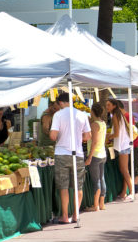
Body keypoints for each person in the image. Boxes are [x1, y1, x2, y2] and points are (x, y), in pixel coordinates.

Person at [50, 93, 91, 224]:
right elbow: (88, 136)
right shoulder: (82, 114)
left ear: (61, 103)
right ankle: (75, 215)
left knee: (64, 187)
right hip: (78, 153)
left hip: (62, 153)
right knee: (78, 186)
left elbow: (52, 136)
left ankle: (65, 216)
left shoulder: (58, 115)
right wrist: (78, 138)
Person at [106, 99, 133, 201]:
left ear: (114, 106)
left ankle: (131, 192)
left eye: (108, 105)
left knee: (124, 170)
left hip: (123, 145)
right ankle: (124, 193)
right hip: (123, 144)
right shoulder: (119, 115)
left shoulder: (115, 116)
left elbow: (116, 134)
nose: (107, 107)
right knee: (124, 169)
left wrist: (108, 137)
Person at [117, 100, 138, 194]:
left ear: (119, 108)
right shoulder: (125, 116)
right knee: (129, 167)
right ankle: (129, 189)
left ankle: (134, 188)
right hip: (129, 144)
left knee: (134, 166)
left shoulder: (126, 116)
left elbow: (129, 131)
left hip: (133, 144)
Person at [85, 103, 107, 211]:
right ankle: (101, 204)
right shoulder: (102, 123)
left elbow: (94, 142)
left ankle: (95, 205)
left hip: (95, 155)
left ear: (92, 111)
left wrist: (89, 157)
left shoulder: (94, 125)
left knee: (96, 180)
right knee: (101, 179)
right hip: (102, 153)